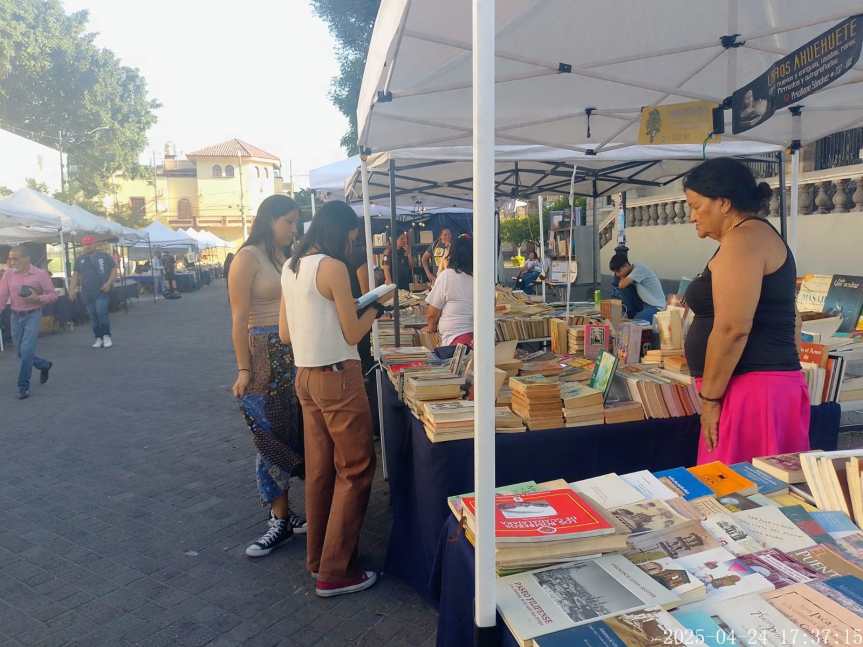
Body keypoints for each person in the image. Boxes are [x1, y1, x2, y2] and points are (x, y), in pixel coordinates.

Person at [281, 200, 380, 598]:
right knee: (356, 467)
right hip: (337, 376)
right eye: (352, 238)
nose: (353, 244)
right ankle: (336, 571)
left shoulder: (292, 266)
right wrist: (376, 308)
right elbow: (353, 332)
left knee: (321, 471)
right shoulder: (333, 267)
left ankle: (319, 559)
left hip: (305, 375)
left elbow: (286, 334)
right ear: (340, 233)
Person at [683, 157, 808, 465]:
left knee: (736, 493)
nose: (691, 216)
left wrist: (710, 399)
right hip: (761, 386)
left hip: (751, 391)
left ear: (724, 203)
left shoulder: (743, 240)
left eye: (696, 206)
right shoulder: (751, 237)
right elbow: (792, 317)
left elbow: (732, 328)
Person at [229, 195, 307, 558]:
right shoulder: (246, 258)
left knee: (286, 433)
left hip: (288, 353)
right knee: (268, 439)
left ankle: (286, 515)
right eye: (289, 222)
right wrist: (244, 368)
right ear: (270, 219)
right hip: (263, 354)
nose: (293, 229)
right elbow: (238, 319)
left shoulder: (281, 256)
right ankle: (277, 518)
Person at [0, 245, 57, 399]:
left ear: (27, 259)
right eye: (10, 258)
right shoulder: (8, 274)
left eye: (15, 258)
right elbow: (2, 296)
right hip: (15, 315)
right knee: (21, 352)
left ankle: (23, 386)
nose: (11, 262)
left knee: (26, 352)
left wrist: (37, 298)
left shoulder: (40, 274)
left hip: (33, 315)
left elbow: (53, 295)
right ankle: (44, 365)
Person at [423, 234, 474, 347]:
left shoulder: (447, 276)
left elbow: (432, 313)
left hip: (454, 340)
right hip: (477, 337)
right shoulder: (480, 279)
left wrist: (431, 327)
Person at [70, 236, 117, 349]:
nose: (87, 246)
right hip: (86, 292)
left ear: (95, 244)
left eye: (90, 243)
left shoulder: (104, 256)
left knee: (101, 313)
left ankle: (106, 336)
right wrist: (71, 289)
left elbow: (114, 269)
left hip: (101, 290)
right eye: (85, 244)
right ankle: (98, 337)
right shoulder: (79, 259)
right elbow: (75, 275)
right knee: (93, 316)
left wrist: (109, 283)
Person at [609, 251, 666, 323]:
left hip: (655, 307)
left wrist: (622, 277)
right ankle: (629, 314)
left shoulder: (639, 268)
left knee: (635, 324)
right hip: (643, 305)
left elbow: (622, 285)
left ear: (626, 265)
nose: (617, 274)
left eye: (618, 271)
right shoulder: (630, 273)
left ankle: (634, 317)